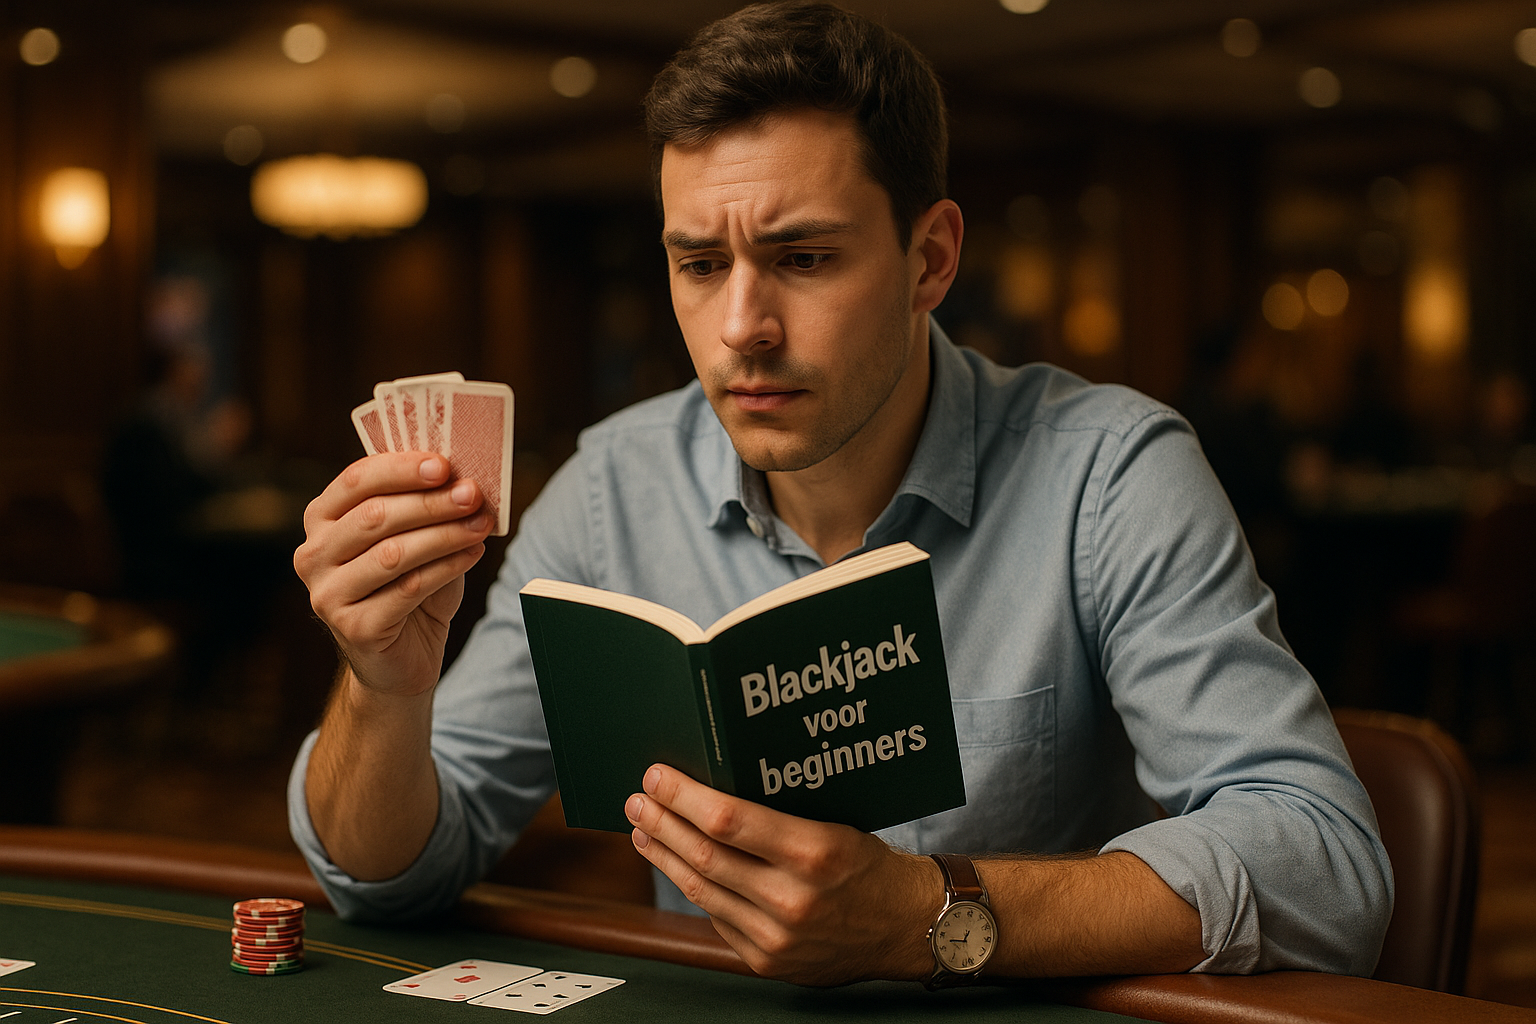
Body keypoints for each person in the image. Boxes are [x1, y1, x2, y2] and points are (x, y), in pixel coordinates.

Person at [289, 0, 1391, 987]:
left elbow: (1326, 864)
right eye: (699, 264)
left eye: (804, 258)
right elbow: (387, 879)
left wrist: (934, 914)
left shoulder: (1107, 472)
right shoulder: (611, 489)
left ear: (931, 259)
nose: (740, 330)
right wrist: (381, 692)